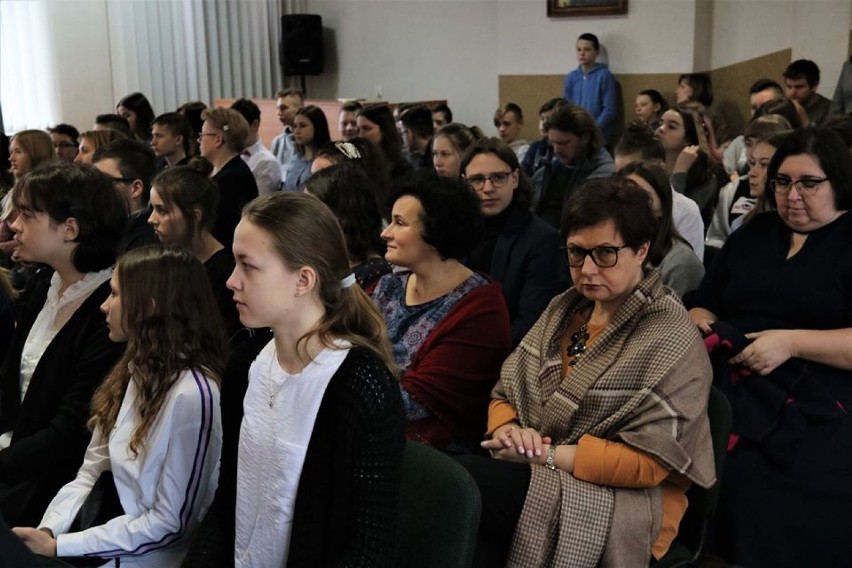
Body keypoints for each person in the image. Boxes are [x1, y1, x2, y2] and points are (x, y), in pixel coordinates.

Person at [459, 178, 715, 567]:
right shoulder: (565, 308)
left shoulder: (672, 337)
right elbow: (505, 392)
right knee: (452, 495)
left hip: (626, 498)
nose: (588, 269)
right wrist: (508, 430)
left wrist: (543, 454)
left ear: (642, 249)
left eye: (606, 253)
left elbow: (649, 465)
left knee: (459, 490)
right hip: (537, 464)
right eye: (577, 253)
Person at [683, 127, 852, 567]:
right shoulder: (755, 233)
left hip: (822, 387)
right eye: (782, 182)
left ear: (838, 182)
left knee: (764, 475)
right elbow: (704, 302)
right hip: (733, 374)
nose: (792, 195)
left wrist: (791, 344)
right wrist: (702, 322)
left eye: (809, 183)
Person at [221, 191, 405, 567]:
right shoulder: (246, 363)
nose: (231, 281)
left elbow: (369, 551)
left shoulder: (361, 385)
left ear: (303, 279)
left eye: (248, 266)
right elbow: (227, 505)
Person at [13, 246, 224, 567]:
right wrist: (49, 531)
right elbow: (90, 473)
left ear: (149, 307)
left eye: (114, 294)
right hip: (99, 544)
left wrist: (62, 546)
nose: (103, 305)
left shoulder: (193, 393)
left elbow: (172, 524)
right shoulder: (129, 370)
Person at [0, 164, 128, 527]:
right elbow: (11, 382)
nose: (14, 226)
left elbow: (72, 430)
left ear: (70, 229)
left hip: (58, 481)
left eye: (26, 215)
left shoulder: (109, 307)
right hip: (17, 456)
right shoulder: (45, 283)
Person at [373, 172, 512, 451]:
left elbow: (413, 404)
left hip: (437, 454)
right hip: (376, 422)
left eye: (399, 223)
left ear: (435, 234)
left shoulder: (479, 312)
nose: (385, 233)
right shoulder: (389, 286)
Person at [460, 137, 568, 345]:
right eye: (477, 180)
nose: (488, 187)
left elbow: (531, 324)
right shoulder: (456, 232)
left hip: (506, 355)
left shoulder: (543, 239)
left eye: (498, 177)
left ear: (515, 178)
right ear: (465, 183)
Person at [148, 163, 241, 337]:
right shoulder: (164, 257)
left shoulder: (224, 275)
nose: (151, 219)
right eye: (152, 208)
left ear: (195, 216)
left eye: (162, 210)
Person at [613, 120, 705, 259]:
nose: (622, 184)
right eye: (618, 175)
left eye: (631, 173)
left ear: (657, 169)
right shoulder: (612, 206)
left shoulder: (686, 211)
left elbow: (689, 265)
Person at [619, 160, 704, 296]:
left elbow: (675, 317)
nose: (632, 205)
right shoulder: (612, 250)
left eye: (643, 197)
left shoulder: (681, 264)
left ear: (663, 208)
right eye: (625, 197)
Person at [305, 163, 391, 295]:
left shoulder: (375, 273)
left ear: (343, 216)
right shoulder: (316, 256)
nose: (305, 218)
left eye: (313, 211)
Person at [706, 119, 791, 250]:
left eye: (764, 165)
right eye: (748, 144)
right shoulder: (739, 209)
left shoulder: (797, 214)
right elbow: (715, 237)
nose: (752, 173)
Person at [531, 103, 616, 229]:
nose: (556, 150)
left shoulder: (604, 175)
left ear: (585, 137)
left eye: (563, 143)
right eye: (553, 143)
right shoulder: (548, 170)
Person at [197, 107, 259, 250]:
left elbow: (219, 231)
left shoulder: (233, 179)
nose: (199, 141)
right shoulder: (220, 172)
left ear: (218, 139)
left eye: (202, 135)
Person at [92, 138, 159, 254]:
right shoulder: (103, 227)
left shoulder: (146, 244)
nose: (94, 188)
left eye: (103, 180)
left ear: (136, 188)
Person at [656, 106, 719, 226]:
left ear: (688, 141)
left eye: (671, 126)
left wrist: (680, 172)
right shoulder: (650, 165)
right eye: (660, 123)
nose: (661, 129)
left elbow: (676, 219)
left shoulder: (705, 177)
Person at [563, 33, 618, 145]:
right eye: (579, 49)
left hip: (598, 135)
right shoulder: (571, 78)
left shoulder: (604, 76)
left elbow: (610, 110)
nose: (582, 53)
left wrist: (593, 128)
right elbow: (566, 106)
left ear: (596, 52)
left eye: (587, 49)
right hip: (575, 134)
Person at [230, 98, 282, 195]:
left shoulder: (266, 162)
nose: (234, 131)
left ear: (255, 124)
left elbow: (261, 204)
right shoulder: (229, 154)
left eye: (239, 125)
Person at [357, 104, 414, 182]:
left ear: (384, 130)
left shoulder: (401, 168)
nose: (360, 135)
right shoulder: (358, 164)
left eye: (366, 129)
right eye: (358, 130)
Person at [283, 105, 331, 191]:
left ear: (317, 127)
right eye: (295, 126)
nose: (297, 131)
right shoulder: (295, 159)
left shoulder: (326, 161)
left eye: (302, 126)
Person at [520, 97, 569, 178]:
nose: (544, 124)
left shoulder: (564, 150)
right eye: (542, 119)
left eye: (549, 119)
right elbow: (523, 176)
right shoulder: (535, 147)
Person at [270, 88, 304, 182]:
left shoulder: (310, 141)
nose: (279, 113)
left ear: (299, 109)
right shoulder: (277, 142)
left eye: (284, 108)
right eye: (278, 108)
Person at [783, 59, 832, 126]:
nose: (792, 92)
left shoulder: (829, 110)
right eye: (789, 87)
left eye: (799, 87)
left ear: (814, 86)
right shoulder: (783, 106)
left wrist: (804, 119)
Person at [399, 105, 434, 171]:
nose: (403, 139)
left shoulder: (429, 162)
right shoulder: (432, 153)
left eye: (403, 133)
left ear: (410, 133)